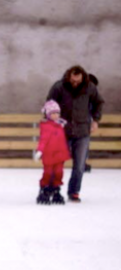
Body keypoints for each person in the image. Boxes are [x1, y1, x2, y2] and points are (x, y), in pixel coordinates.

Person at [46, 65, 104, 202]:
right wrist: (51, 117)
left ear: (83, 77)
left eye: (78, 81)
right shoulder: (59, 87)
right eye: (73, 81)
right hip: (62, 130)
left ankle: (74, 191)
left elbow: (99, 102)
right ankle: (53, 188)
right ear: (69, 77)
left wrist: (96, 120)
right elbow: (49, 103)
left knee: (79, 165)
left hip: (82, 131)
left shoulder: (90, 87)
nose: (75, 83)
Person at [34, 100, 71, 205]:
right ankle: (44, 189)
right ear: (48, 114)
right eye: (53, 113)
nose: (55, 115)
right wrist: (40, 151)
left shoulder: (62, 125)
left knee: (59, 172)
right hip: (49, 154)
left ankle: (56, 189)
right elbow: (43, 140)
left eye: (57, 113)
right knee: (48, 173)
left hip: (60, 154)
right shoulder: (46, 126)